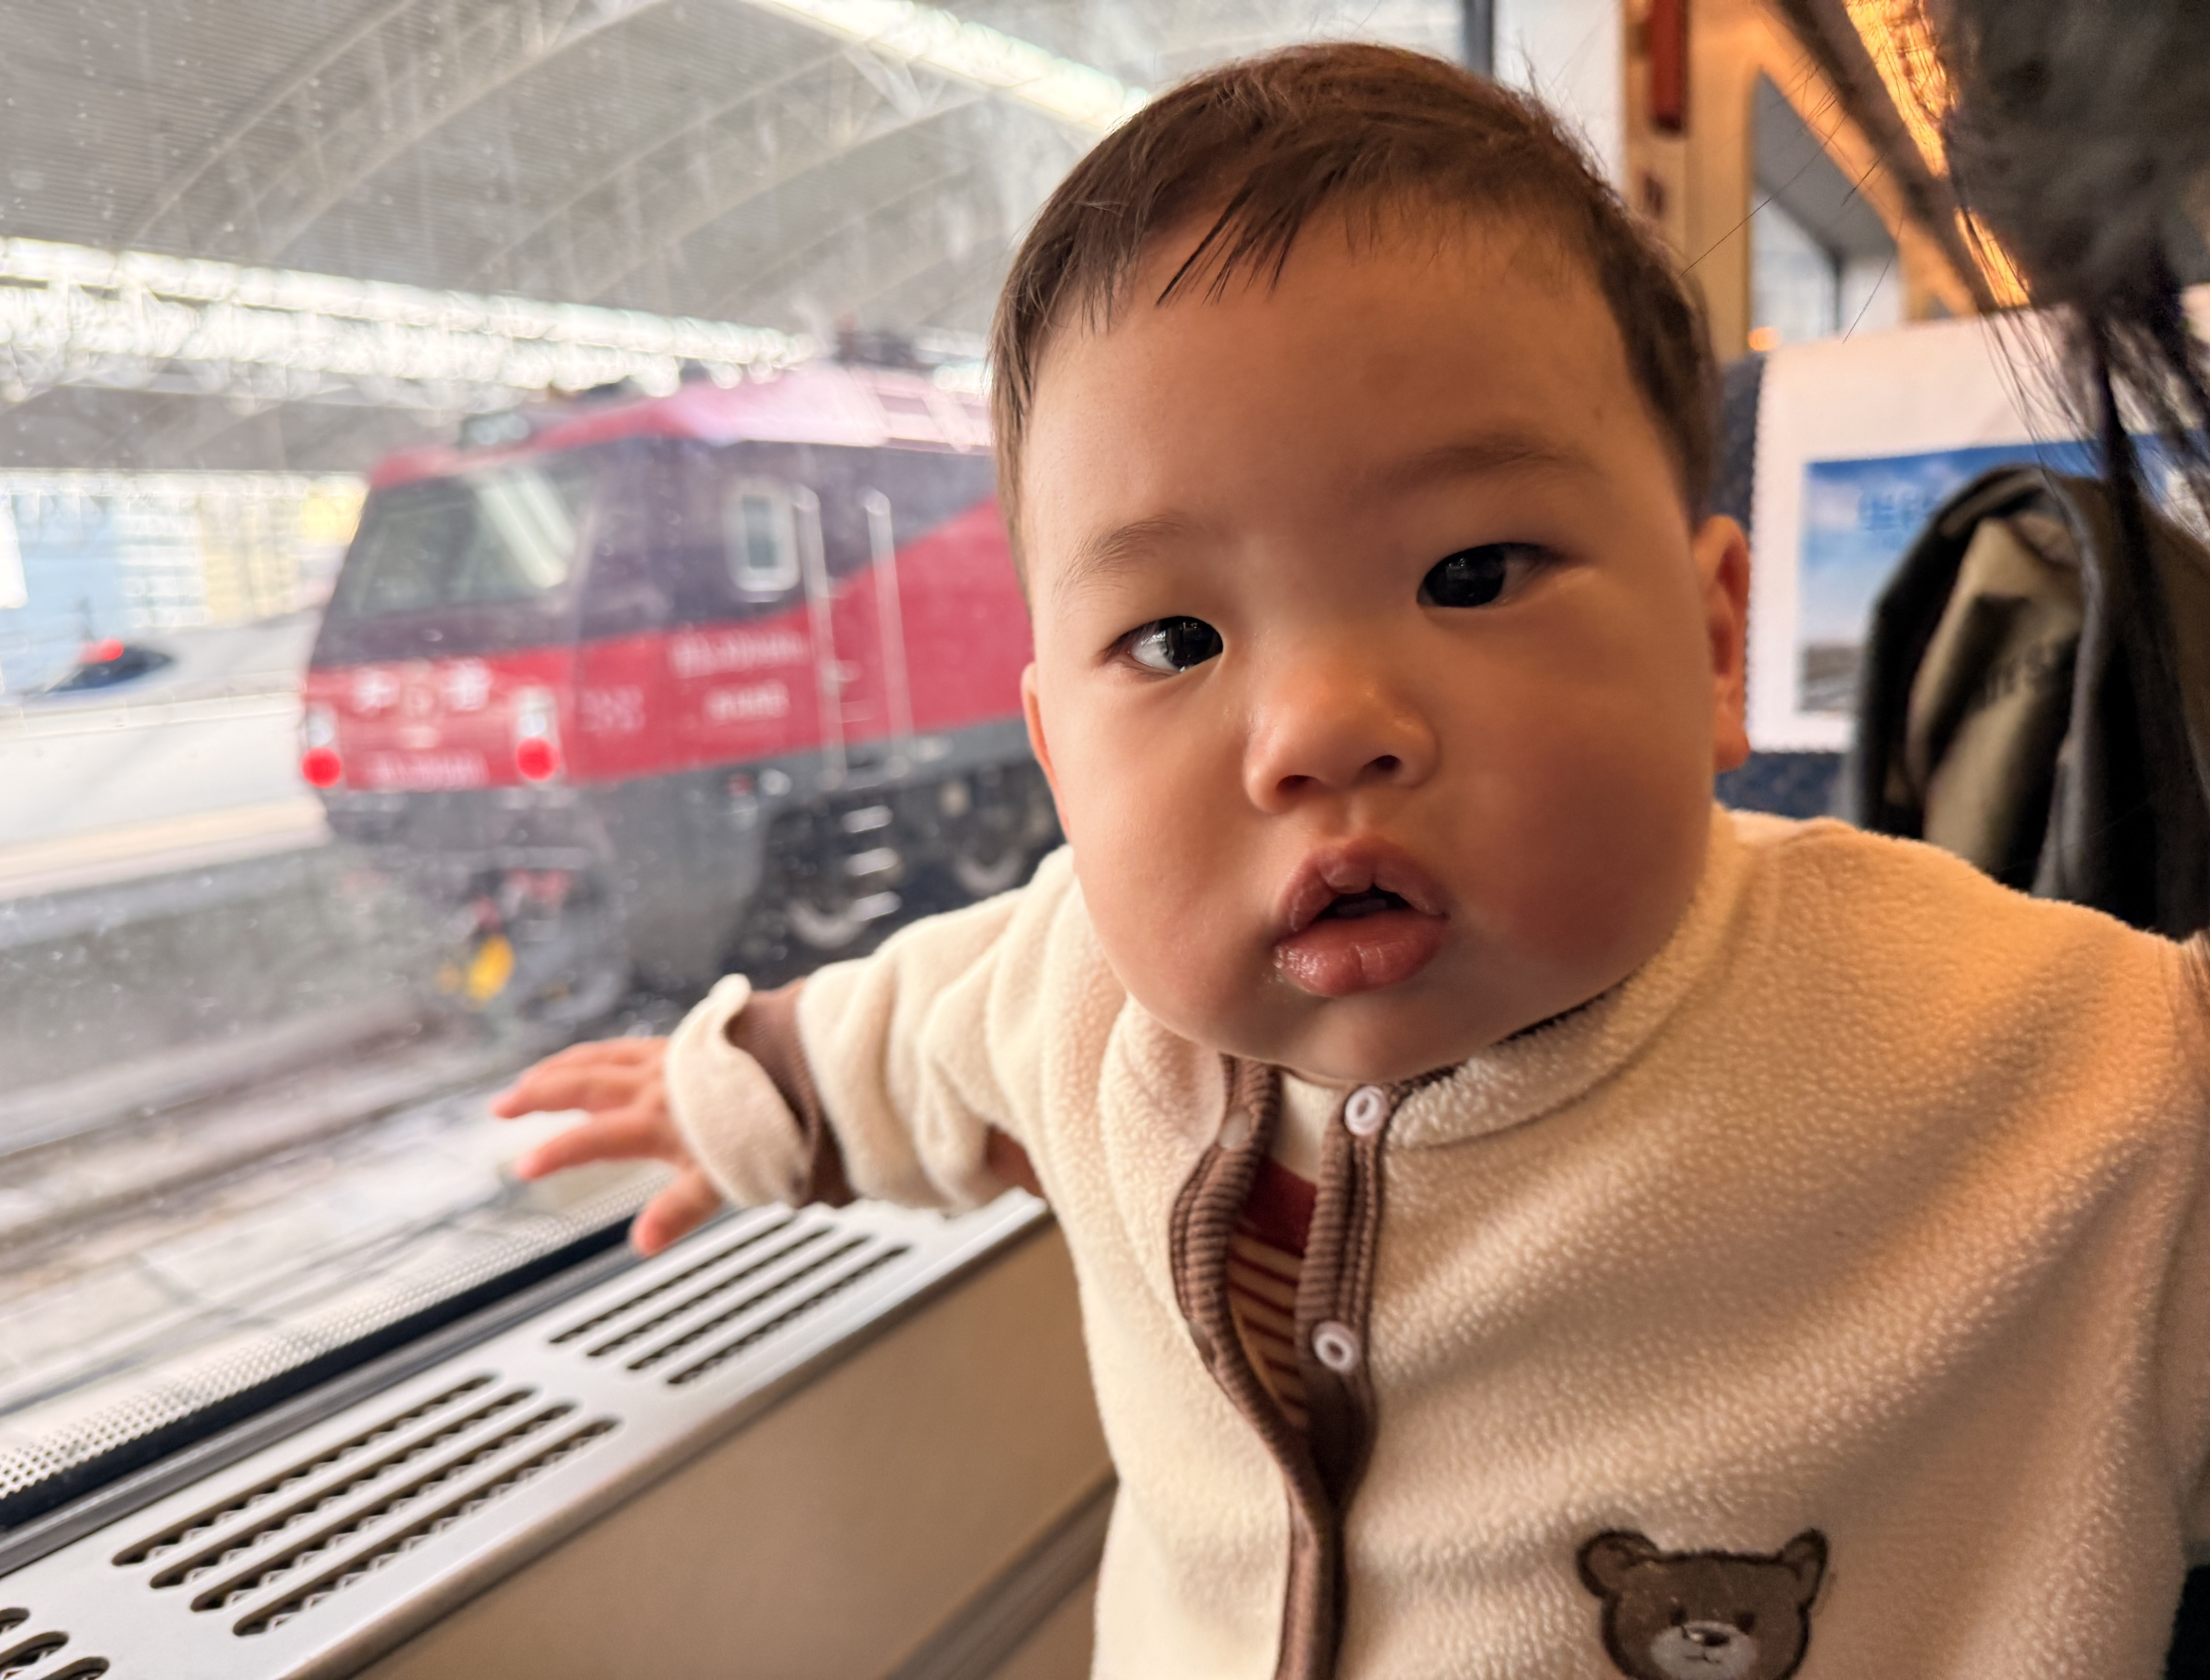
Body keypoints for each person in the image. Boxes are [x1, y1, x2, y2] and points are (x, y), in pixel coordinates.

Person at [492, 43, 2210, 1680]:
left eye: (1472, 574)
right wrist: (733, 1091)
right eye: (1173, 640)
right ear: (1057, 759)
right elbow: (902, 1033)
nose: (1316, 730)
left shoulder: (2043, 1061)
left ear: (1712, 648)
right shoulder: (1074, 985)